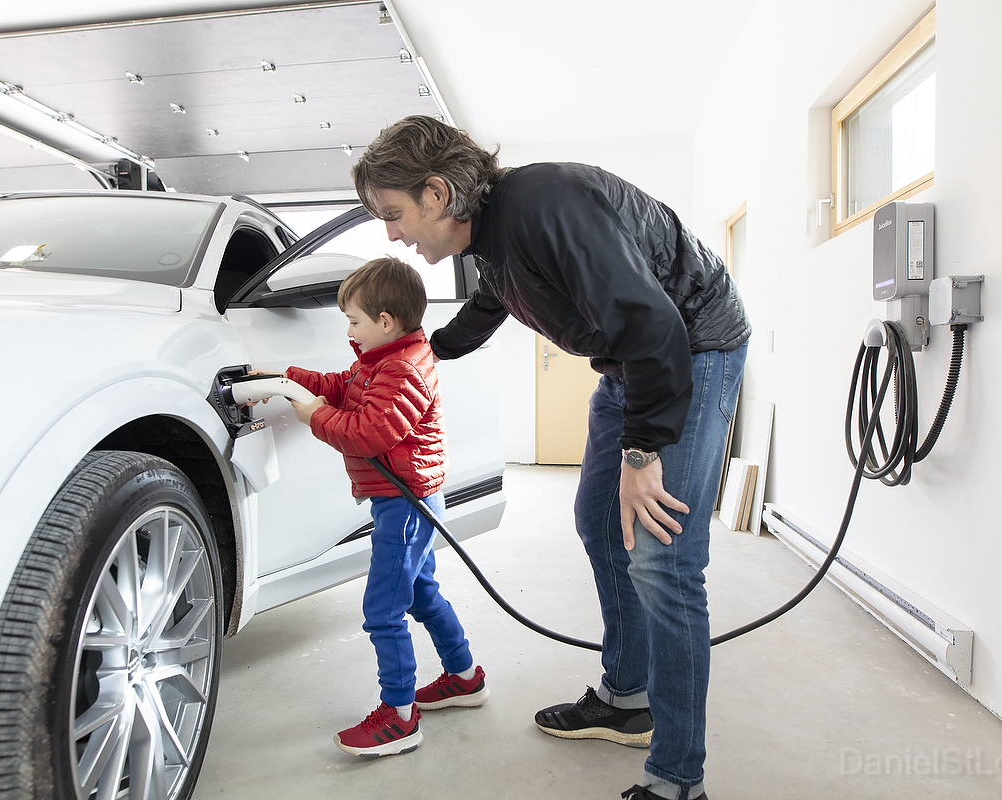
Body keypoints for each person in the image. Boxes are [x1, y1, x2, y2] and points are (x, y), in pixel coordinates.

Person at [352, 116, 751, 799]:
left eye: (393, 214)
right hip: (631, 364)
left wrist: (642, 453)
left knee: (664, 558)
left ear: (437, 194)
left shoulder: (545, 207)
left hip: (689, 350)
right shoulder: (492, 235)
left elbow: (655, 327)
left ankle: (679, 779)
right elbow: (493, 298)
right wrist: (426, 350)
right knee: (599, 523)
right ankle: (628, 697)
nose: (392, 234)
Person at [282, 255, 489, 757]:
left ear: (385, 321)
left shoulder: (402, 369)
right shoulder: (381, 358)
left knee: (383, 609)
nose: (349, 331)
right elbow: (343, 386)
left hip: (406, 505)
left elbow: (368, 433)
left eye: (354, 321)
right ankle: (464, 677)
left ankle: (399, 716)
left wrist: (314, 417)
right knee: (420, 594)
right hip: (408, 500)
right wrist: (286, 379)